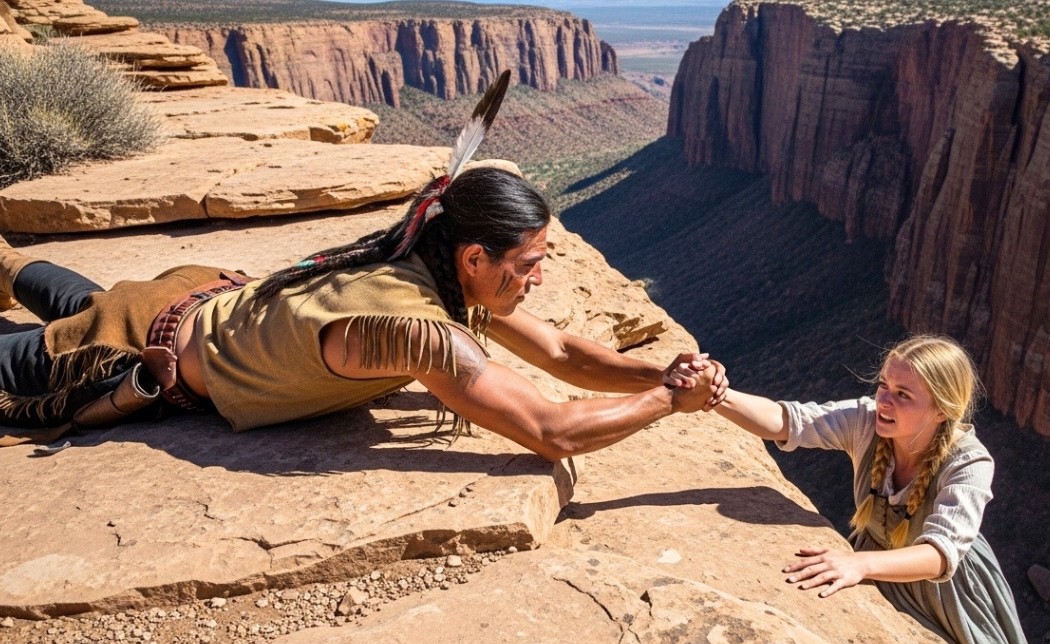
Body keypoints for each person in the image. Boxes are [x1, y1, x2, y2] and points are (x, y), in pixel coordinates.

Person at [0, 167, 723, 456]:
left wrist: (662, 370)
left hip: (191, 295)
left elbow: (561, 354)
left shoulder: (429, 260)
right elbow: (549, 430)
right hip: (126, 352)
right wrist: (668, 401)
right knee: (68, 326)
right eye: (529, 262)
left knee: (78, 294)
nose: (539, 278)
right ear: (475, 257)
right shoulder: (414, 333)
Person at [702, 335, 1040, 644]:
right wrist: (717, 395)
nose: (884, 400)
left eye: (903, 395)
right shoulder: (866, 421)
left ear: (942, 410)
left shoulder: (970, 463)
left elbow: (940, 556)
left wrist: (859, 564)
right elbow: (788, 422)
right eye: (883, 386)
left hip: (950, 593)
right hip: (880, 566)